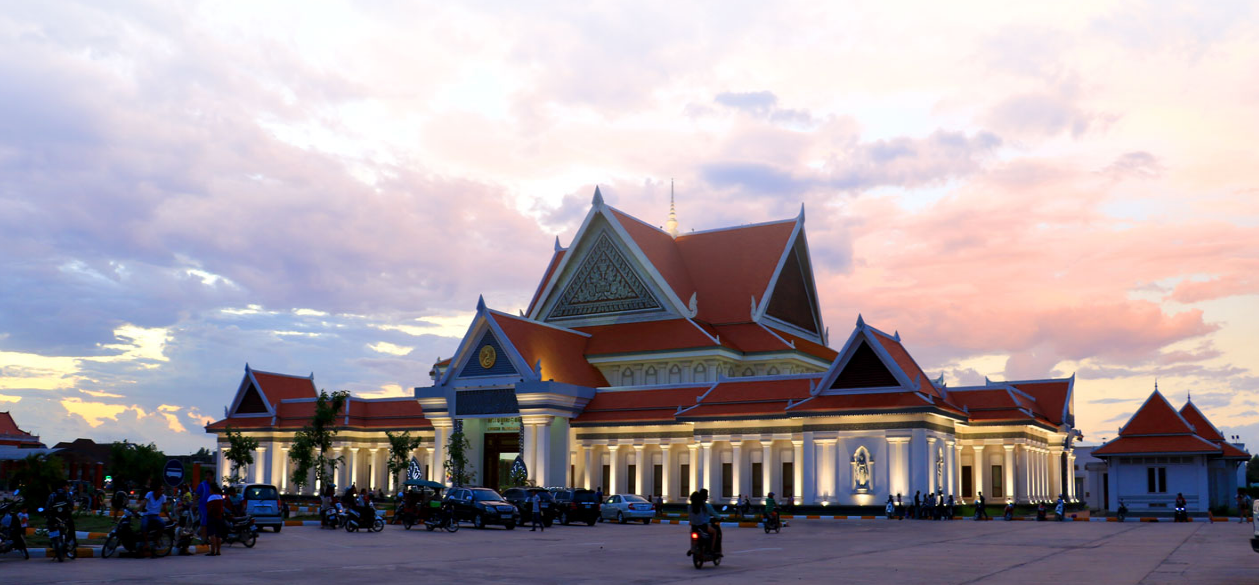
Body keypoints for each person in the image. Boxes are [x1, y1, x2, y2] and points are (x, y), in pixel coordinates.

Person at [138, 481, 168, 557]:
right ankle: (146, 543)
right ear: (156, 490)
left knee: (162, 524)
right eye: (161, 489)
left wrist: (170, 518)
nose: (162, 491)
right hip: (147, 514)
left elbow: (165, 509)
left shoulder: (163, 497)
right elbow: (143, 503)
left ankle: (156, 539)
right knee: (143, 525)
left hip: (155, 516)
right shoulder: (149, 494)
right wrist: (137, 510)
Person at [205, 484, 224, 556]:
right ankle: (218, 551)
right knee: (218, 535)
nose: (209, 490)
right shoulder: (220, 497)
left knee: (212, 534)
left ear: (212, 490)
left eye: (210, 489)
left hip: (212, 517)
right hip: (219, 517)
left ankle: (212, 551)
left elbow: (208, 507)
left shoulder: (211, 497)